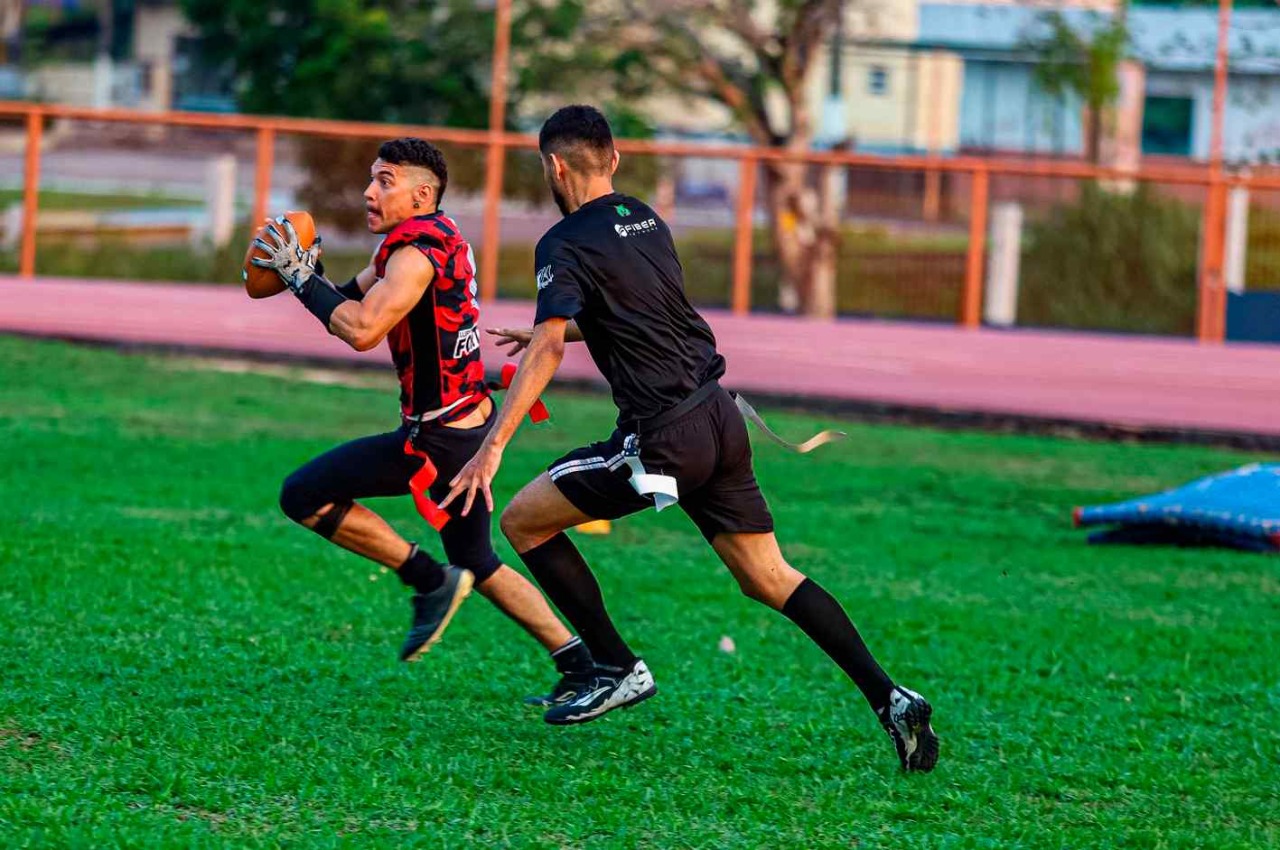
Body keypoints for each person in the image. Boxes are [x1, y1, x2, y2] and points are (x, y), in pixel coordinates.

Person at [444, 108, 939, 772]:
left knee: (523, 521)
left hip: (664, 439)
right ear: (613, 162)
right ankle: (892, 698)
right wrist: (544, 333)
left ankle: (617, 667)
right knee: (768, 577)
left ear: (553, 166)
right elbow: (635, 317)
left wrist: (494, 441)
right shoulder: (644, 217)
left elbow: (554, 348)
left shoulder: (561, 243)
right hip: (721, 419)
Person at [249, 137, 593, 704]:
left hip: (440, 438)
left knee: (304, 494)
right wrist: (307, 277)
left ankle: (428, 580)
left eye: (385, 180)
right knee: (477, 561)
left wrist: (299, 279)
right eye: (371, 178)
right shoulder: (432, 237)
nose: (369, 191)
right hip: (460, 424)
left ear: (422, 193)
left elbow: (361, 330)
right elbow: (343, 303)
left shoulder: (413, 255)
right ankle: (581, 663)